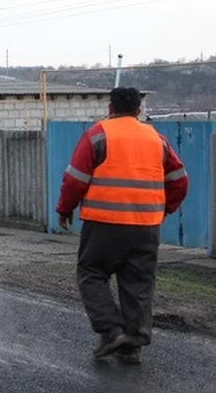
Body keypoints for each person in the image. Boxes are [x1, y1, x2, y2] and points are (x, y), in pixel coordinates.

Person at [56, 87, 189, 364]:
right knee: (138, 281)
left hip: (104, 224)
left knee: (92, 272)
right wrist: (165, 208)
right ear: (139, 110)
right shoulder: (157, 140)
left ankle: (111, 331)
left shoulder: (97, 135)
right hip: (146, 226)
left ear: (110, 108)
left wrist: (65, 210)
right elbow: (179, 180)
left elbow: (75, 180)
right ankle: (133, 344)